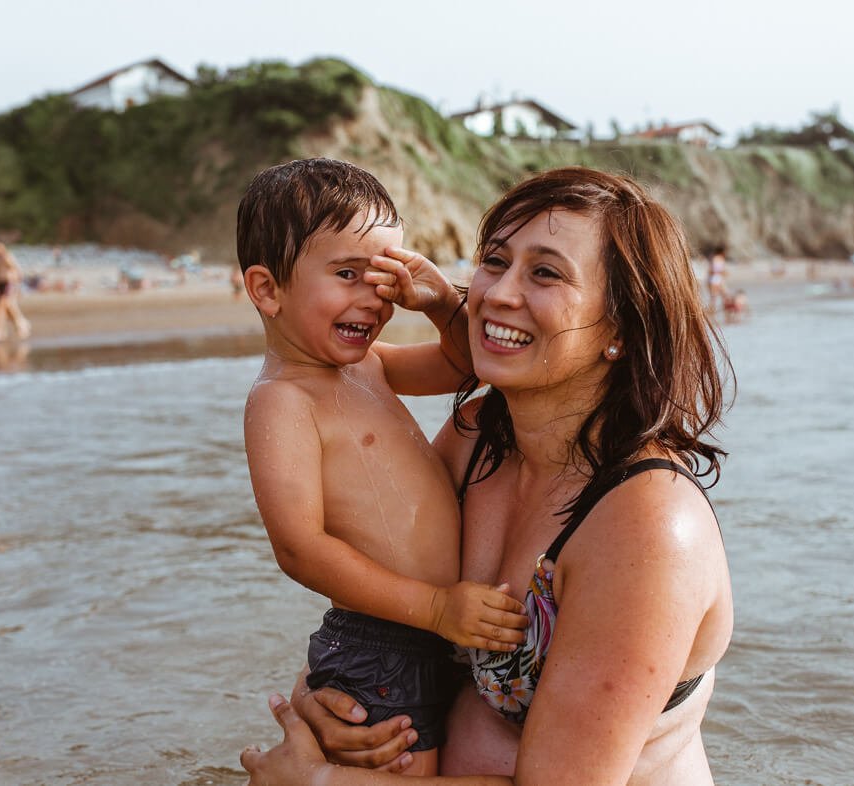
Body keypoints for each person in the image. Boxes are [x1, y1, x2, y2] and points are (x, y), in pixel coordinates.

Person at [242, 167, 735, 785]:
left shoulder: (648, 526)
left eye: (546, 272)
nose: (498, 294)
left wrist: (321, 781)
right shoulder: (478, 439)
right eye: (495, 261)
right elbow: (386, 588)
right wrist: (328, 700)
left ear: (621, 328)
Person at [239, 159, 527, 777]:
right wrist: (434, 608)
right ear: (267, 289)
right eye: (347, 274)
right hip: (384, 642)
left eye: (383, 279)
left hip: (434, 628)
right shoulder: (282, 400)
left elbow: (465, 364)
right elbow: (299, 548)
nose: (373, 298)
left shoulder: (370, 365)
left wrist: (440, 302)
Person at [0, 239, 32, 341]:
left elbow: (17, 270)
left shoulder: (6, 256)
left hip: (8, 284)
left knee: (1, 308)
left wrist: (18, 287)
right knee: (9, 308)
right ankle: (21, 325)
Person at [706, 245, 728, 313]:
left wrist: (723, 273)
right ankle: (712, 312)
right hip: (714, 279)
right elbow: (711, 270)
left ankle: (724, 311)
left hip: (719, 280)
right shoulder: (715, 258)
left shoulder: (721, 258)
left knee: (723, 296)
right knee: (714, 297)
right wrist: (721, 272)